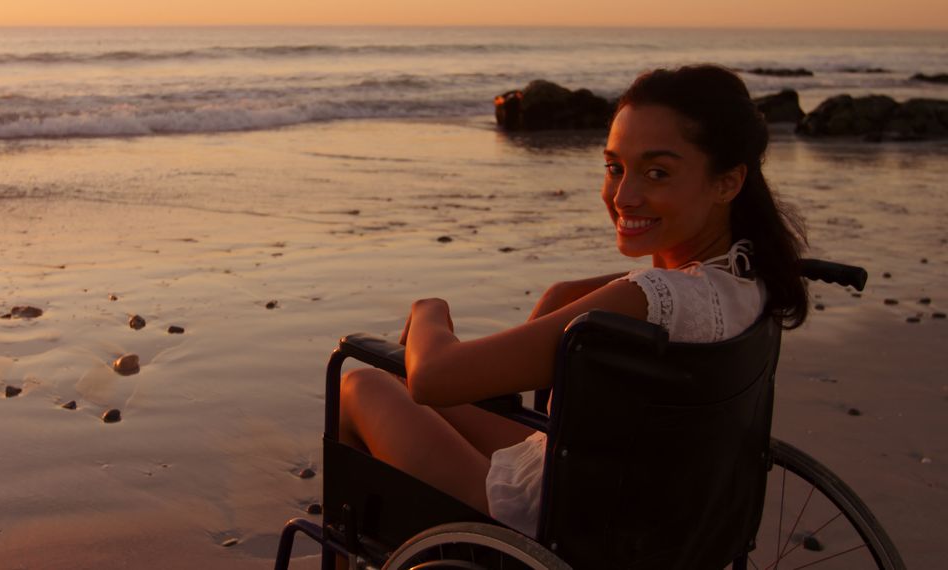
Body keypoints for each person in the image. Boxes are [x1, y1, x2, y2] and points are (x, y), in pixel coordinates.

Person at [337, 64, 809, 537]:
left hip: (554, 523)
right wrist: (560, 294)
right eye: (614, 168)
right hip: (652, 506)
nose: (624, 195)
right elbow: (650, 288)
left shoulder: (650, 300)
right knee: (399, 377)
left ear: (727, 182)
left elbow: (434, 379)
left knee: (361, 385)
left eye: (657, 172)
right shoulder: (752, 277)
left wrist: (429, 310)